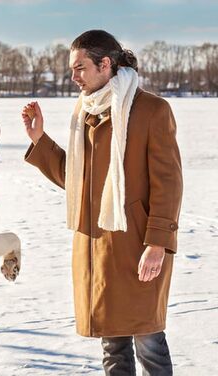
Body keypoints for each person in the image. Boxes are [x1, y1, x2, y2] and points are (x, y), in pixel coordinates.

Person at [21, 30, 183, 375]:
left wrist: (158, 243)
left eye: (80, 68)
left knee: (149, 341)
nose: (73, 77)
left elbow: (168, 184)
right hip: (99, 249)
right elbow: (78, 180)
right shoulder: (86, 112)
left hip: (137, 246)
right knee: (112, 346)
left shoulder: (152, 110)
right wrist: (40, 140)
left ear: (105, 64)